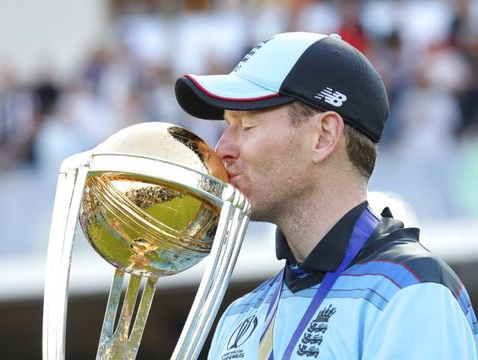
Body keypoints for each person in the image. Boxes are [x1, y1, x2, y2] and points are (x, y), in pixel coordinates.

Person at [175, 32, 478, 359]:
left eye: (246, 126)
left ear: (323, 136)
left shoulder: (411, 293)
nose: (222, 151)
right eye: (226, 126)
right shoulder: (240, 316)